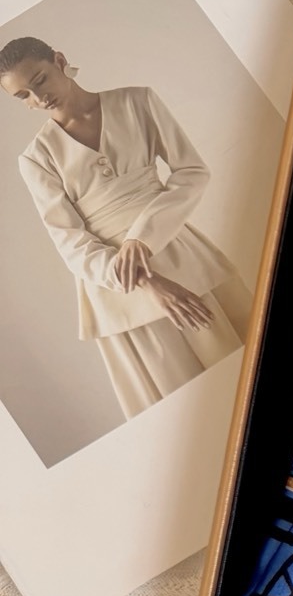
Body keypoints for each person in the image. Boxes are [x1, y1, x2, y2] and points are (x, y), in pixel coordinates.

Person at [0, 36, 251, 418]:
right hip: (118, 291)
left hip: (181, 258)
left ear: (60, 60)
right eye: (23, 96)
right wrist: (145, 281)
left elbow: (192, 171)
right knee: (184, 412)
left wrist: (141, 239)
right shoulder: (35, 158)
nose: (38, 98)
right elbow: (70, 243)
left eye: (40, 80)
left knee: (240, 374)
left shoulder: (138, 101)